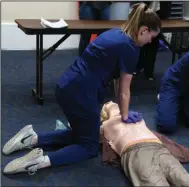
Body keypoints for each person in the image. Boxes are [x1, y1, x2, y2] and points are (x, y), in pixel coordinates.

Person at [2, 3, 161, 175]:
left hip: (66, 85)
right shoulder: (131, 48)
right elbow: (124, 88)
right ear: (143, 30)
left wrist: (120, 109)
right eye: (151, 37)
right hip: (82, 94)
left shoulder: (114, 32)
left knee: (82, 134)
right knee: (89, 146)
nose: (150, 41)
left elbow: (115, 81)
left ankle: (31, 138)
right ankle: (38, 162)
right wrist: (124, 115)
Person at [99, 101, 189, 186]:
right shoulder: (109, 125)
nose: (112, 104)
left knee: (185, 180)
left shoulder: (132, 118)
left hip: (152, 149)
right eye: (109, 105)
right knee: (180, 181)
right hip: (140, 150)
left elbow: (107, 149)